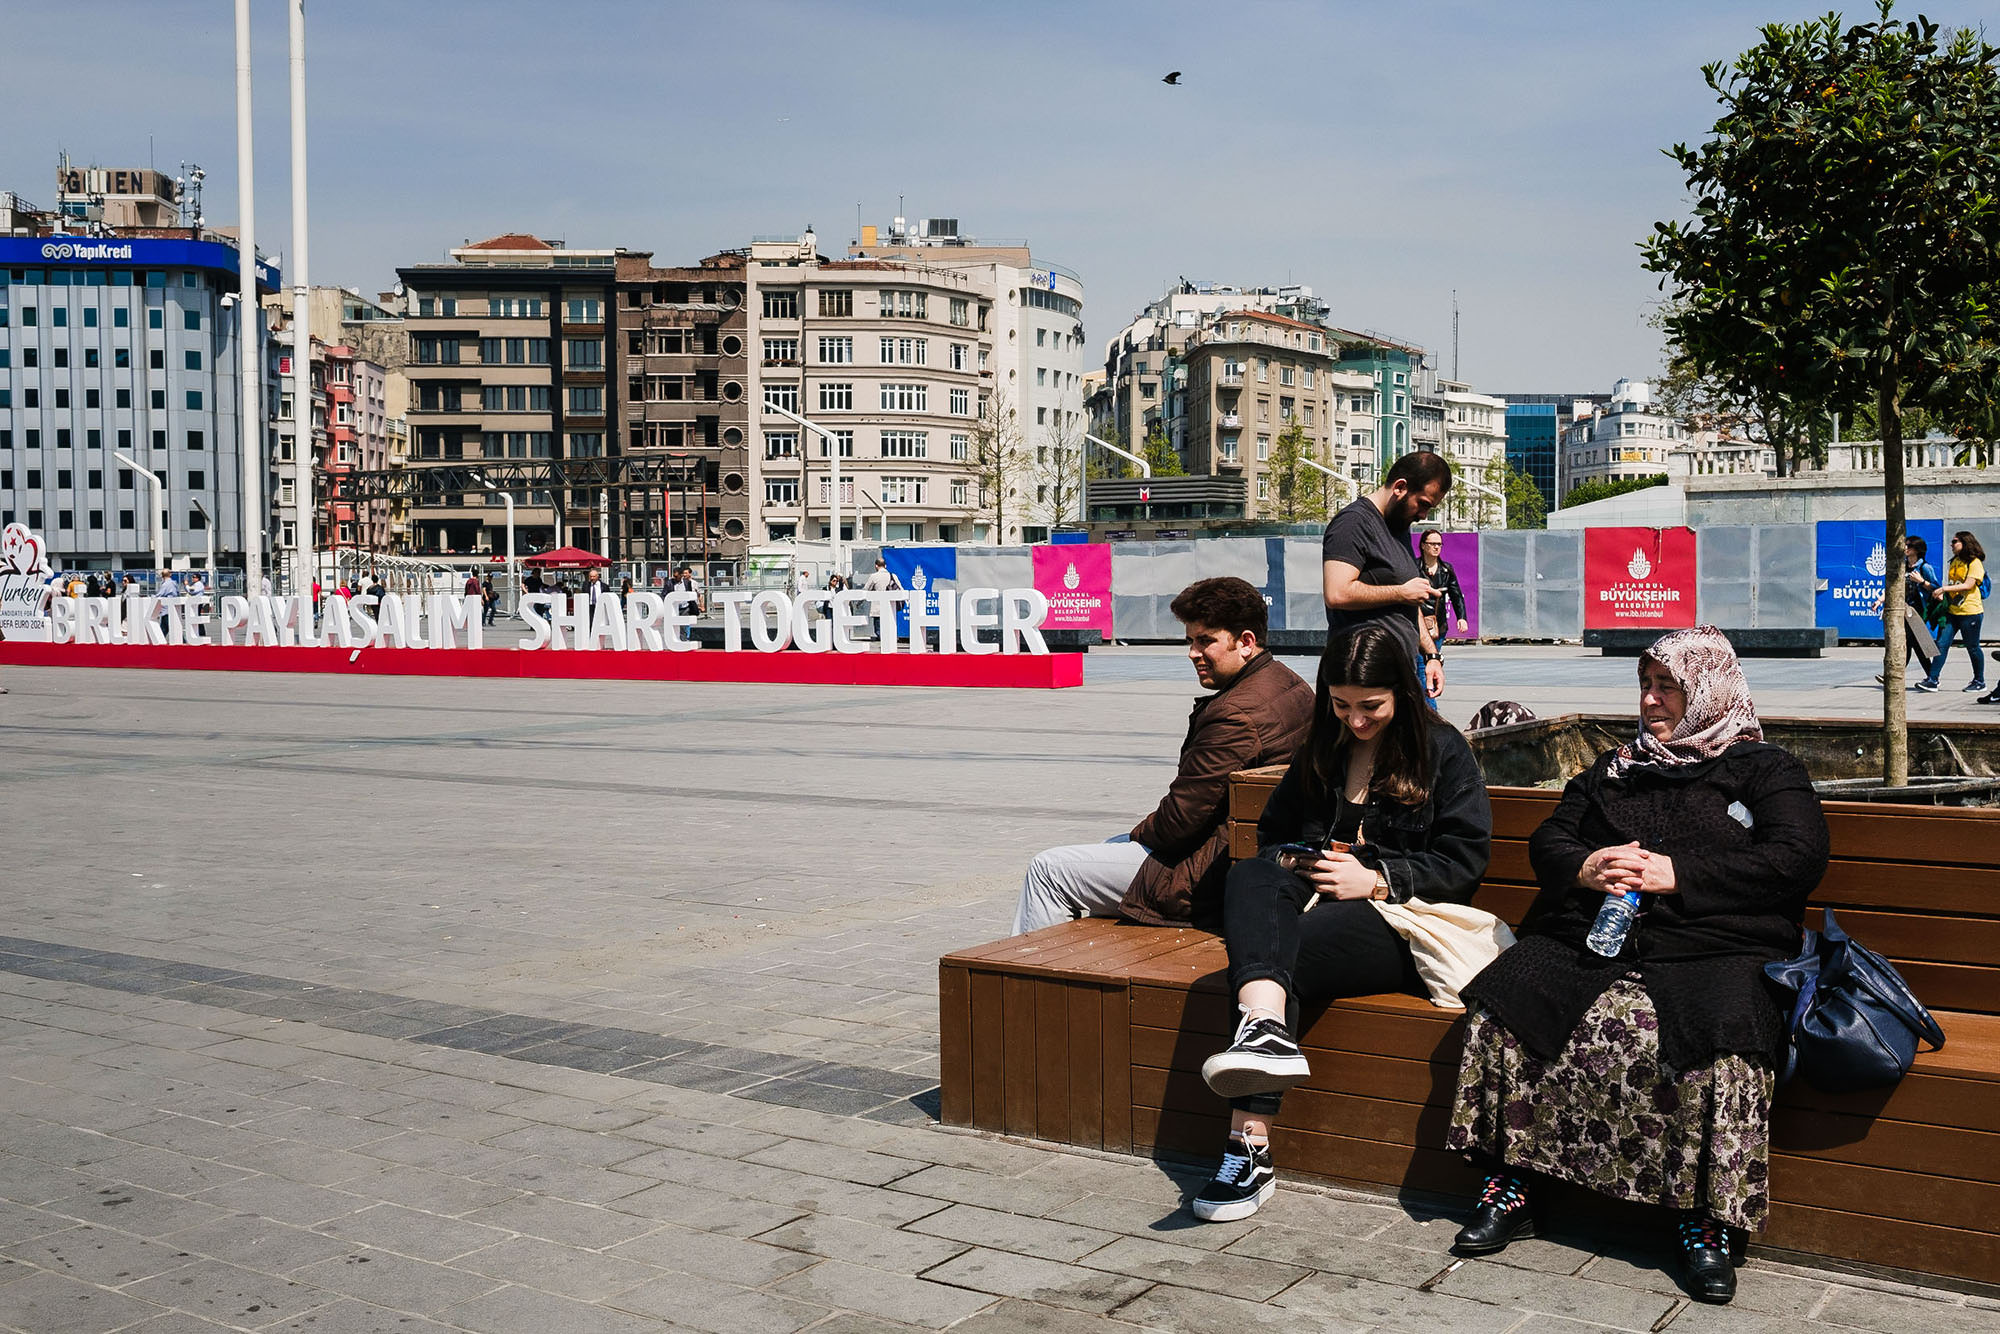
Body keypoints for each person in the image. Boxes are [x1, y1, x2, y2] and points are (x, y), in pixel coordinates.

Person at [1445, 626, 1829, 1305]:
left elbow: (1797, 859)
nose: (1652, 701)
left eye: (1668, 688)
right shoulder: (1617, 767)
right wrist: (1586, 866)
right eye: (1646, 687)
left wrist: (1679, 873)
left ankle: (1706, 1222)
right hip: (1599, 941)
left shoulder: (1764, 770)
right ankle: (1514, 1183)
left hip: (1718, 946)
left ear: (1707, 691)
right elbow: (1551, 839)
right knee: (1507, 999)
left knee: (1724, 1036)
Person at [1190, 621, 1493, 1222]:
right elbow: (1272, 835)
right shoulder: (1325, 744)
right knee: (1251, 876)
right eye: (1342, 704)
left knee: (1280, 956)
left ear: (1403, 694)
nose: (1354, 720)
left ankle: (1246, 1146)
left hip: (1404, 923)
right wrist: (1300, 859)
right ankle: (1267, 1031)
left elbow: (1464, 863)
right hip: (1319, 907)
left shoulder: (1442, 750)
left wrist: (1378, 878)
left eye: (1370, 707)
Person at [1013, 577, 1313, 936]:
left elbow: (1178, 822)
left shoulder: (1234, 715)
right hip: (1248, 854)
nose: (1193, 653)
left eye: (1206, 641)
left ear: (1246, 642)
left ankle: (1030, 976)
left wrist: (1138, 835)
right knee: (1103, 851)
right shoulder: (1288, 682)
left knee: (1048, 870)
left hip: (1206, 875)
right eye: (1190, 641)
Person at [1323, 451, 1453, 700]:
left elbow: (1408, 600)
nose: (1424, 515)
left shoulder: (1398, 526)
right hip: (1362, 683)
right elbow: (1337, 592)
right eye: (1423, 503)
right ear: (1400, 487)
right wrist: (1401, 592)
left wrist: (1431, 655)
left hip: (1397, 674)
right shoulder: (1353, 523)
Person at [1914, 531, 1984, 695]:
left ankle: (1979, 681)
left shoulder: (1974, 562)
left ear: (1965, 543)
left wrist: (1944, 588)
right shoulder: (1955, 562)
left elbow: (1968, 585)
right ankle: (1932, 680)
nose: (1951, 545)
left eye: (1955, 542)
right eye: (1951, 542)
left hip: (1970, 612)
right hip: (1952, 612)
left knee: (1973, 647)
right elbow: (1955, 584)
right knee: (1941, 645)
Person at [1874, 535, 1941, 686]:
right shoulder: (1902, 566)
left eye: (1909, 546)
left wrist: (1922, 581)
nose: (1905, 548)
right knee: (1912, 643)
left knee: (1909, 643)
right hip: (1904, 609)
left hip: (1918, 611)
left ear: (1917, 549)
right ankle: (1931, 677)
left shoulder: (1925, 568)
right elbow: (1893, 587)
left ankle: (1895, 676)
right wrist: (1880, 600)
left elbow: (1936, 588)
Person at [1416, 530, 1469, 646]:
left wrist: (1462, 618)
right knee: (1421, 662)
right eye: (1433, 544)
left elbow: (1456, 595)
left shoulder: (1446, 570)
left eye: (1439, 544)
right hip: (1417, 624)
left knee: (1433, 659)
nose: (1436, 547)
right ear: (1423, 545)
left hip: (1438, 625)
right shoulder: (1414, 568)